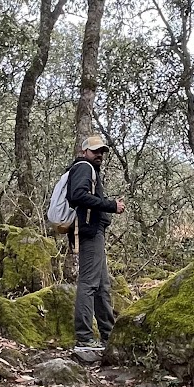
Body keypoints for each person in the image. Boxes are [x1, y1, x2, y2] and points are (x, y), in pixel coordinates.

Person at [66, 134, 125, 360]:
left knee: (102, 286)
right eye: (95, 151)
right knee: (89, 283)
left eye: (102, 151)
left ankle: (107, 335)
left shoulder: (90, 169)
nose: (99, 154)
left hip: (94, 232)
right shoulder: (83, 167)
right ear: (84, 151)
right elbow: (78, 195)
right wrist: (111, 205)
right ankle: (84, 338)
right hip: (88, 232)